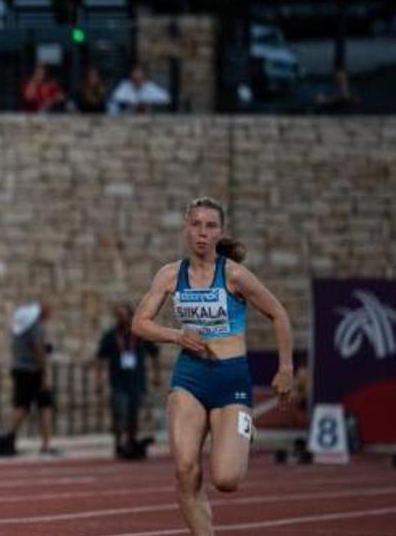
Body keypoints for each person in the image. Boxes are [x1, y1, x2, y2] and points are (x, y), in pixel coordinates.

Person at [132, 196, 295, 535]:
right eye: (196, 225)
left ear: (220, 232)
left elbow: (278, 313)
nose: (202, 233)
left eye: (210, 226)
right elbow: (139, 323)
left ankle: (242, 426)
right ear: (185, 229)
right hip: (189, 376)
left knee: (226, 479)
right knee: (185, 469)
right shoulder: (169, 275)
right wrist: (177, 336)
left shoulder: (234, 275)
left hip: (231, 378)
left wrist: (286, 368)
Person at [96, 302, 160, 459]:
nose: (121, 318)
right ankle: (118, 442)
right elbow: (100, 358)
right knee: (119, 412)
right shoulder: (111, 335)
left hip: (137, 380)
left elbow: (154, 354)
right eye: (118, 315)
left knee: (133, 413)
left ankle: (131, 440)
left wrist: (156, 375)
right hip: (118, 381)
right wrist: (99, 379)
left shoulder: (140, 334)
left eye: (124, 315)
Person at [7, 301, 60, 455]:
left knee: (39, 406)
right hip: (32, 371)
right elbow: (38, 349)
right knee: (26, 407)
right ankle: (8, 437)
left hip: (21, 369)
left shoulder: (21, 325)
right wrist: (44, 374)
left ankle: (10, 438)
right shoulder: (35, 326)